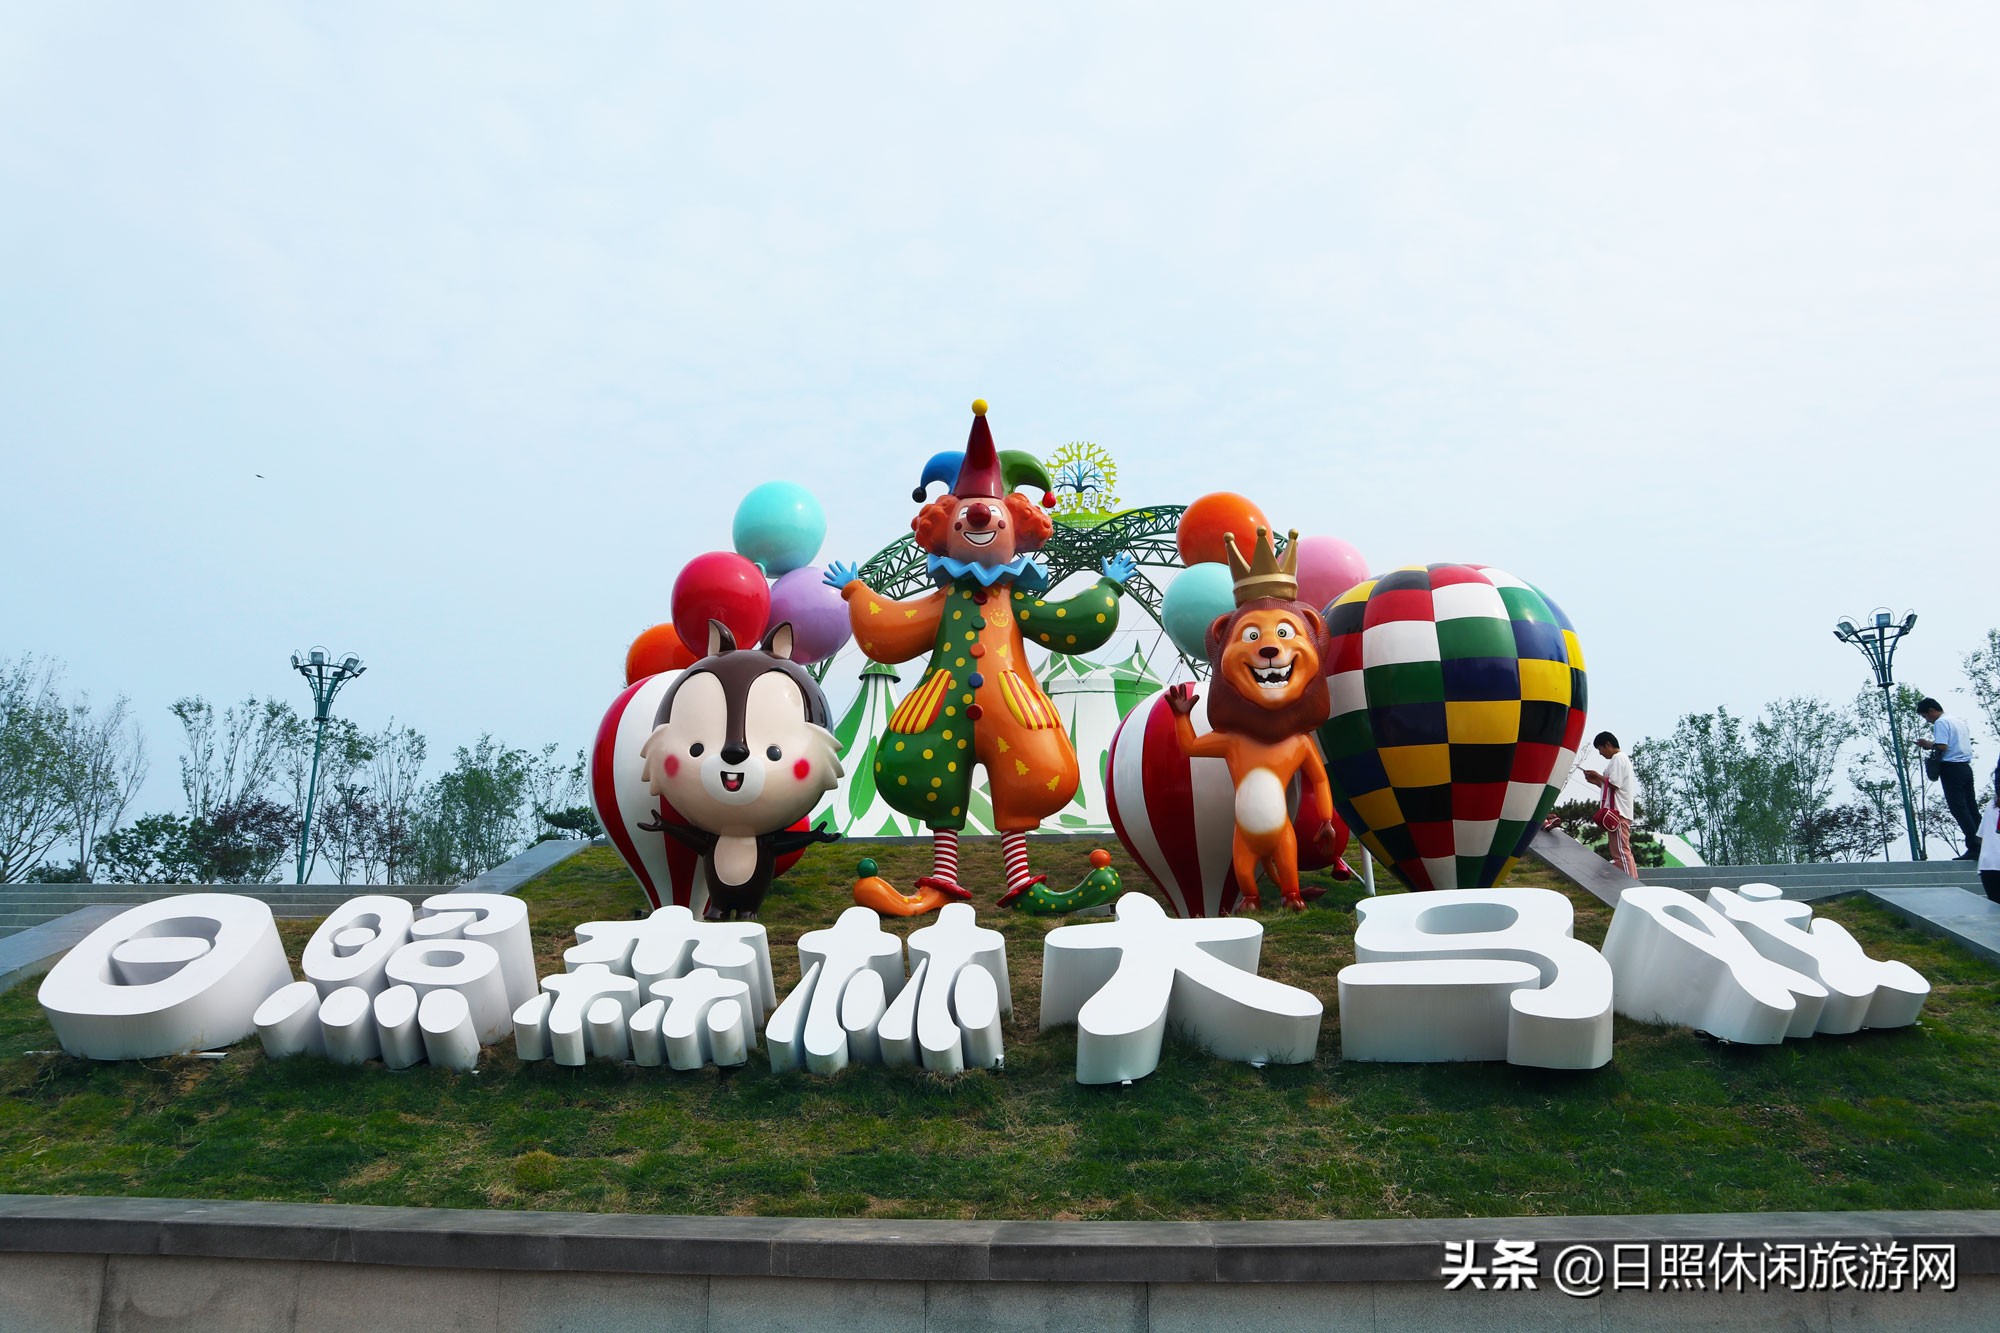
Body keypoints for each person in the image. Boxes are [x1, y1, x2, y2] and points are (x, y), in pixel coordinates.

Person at [1915, 697, 1981, 859]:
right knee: (1971, 807)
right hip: (1965, 766)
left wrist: (1927, 744)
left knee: (1959, 808)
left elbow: (1943, 746)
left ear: (1931, 711)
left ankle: (1974, 846)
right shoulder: (1959, 721)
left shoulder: (1941, 723)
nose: (1927, 720)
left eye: (1925, 716)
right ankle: (1983, 842)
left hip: (1952, 768)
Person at [1582, 731, 1640, 876]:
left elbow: (1614, 783)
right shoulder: (1619, 760)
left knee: (1622, 851)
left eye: (1600, 749)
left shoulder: (1618, 758)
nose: (1600, 753)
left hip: (1618, 813)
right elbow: (1610, 786)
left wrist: (1597, 776)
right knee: (1618, 851)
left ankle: (1630, 882)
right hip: (1618, 812)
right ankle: (1628, 880)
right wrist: (1597, 781)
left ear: (1608, 744)